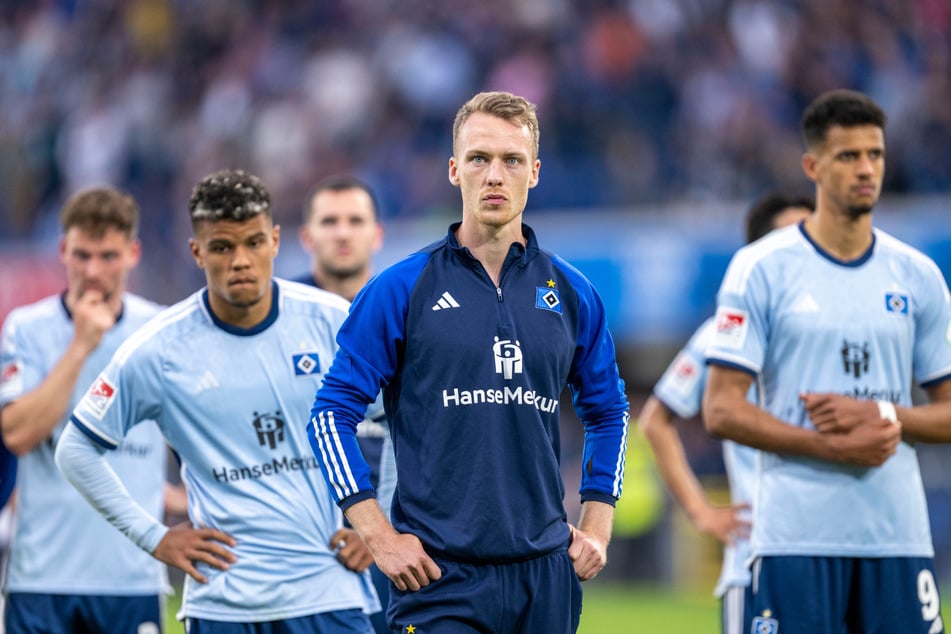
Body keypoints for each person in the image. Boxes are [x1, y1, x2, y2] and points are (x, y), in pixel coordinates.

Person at [307, 90, 630, 633]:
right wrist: (378, 536)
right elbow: (329, 415)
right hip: (437, 580)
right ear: (455, 170)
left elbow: (609, 411)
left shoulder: (574, 293)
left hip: (544, 577)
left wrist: (596, 525)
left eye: (512, 160)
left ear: (535, 173)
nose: (495, 175)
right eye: (479, 159)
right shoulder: (400, 289)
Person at [55, 169, 380, 632]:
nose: (240, 261)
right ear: (197, 251)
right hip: (223, 605)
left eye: (253, 242)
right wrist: (155, 538)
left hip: (328, 591)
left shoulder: (334, 321)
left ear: (275, 240)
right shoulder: (159, 349)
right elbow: (75, 450)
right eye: (222, 247)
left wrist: (379, 523)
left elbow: (410, 422)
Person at [703, 88, 951, 634]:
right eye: (848, 156)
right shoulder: (760, 269)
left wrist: (886, 418)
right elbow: (720, 409)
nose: (866, 169)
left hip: (898, 537)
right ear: (813, 166)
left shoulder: (917, 275)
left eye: (875, 155)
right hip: (795, 538)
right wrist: (831, 445)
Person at [638, 193, 813, 634]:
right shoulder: (725, 332)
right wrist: (701, 511)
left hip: (848, 554)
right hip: (760, 560)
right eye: (787, 240)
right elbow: (655, 420)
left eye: (810, 238)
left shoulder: (847, 325)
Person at [0, 187, 169, 633]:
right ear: (62, 251)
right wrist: (81, 345)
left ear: (133, 253)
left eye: (108, 256)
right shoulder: (27, 328)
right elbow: (17, 434)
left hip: (131, 575)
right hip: (42, 578)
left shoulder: (159, 329)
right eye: (82, 255)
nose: (93, 271)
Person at [295, 173, 392, 634]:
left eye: (355, 220)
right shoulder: (276, 317)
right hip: (297, 543)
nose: (342, 232)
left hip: (395, 536)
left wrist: (377, 527)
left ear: (376, 234)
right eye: (329, 221)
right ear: (306, 235)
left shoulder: (410, 312)